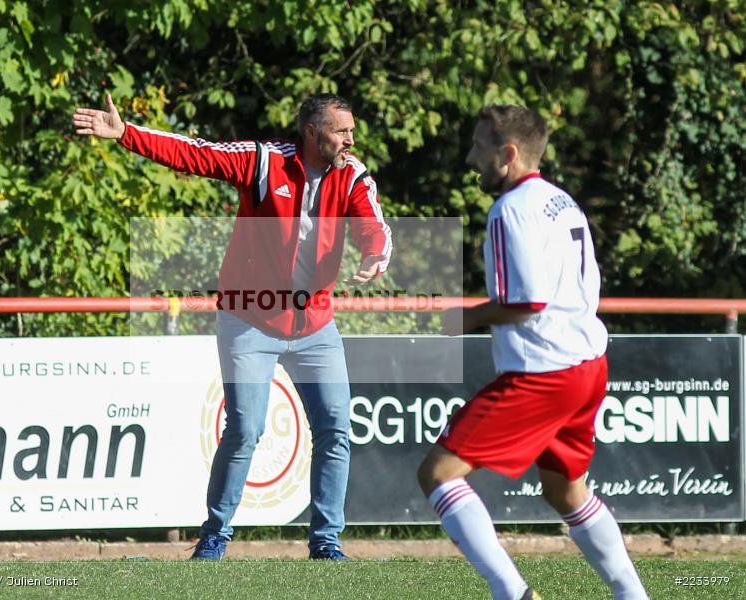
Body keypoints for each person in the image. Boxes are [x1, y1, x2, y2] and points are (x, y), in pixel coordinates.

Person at [73, 93, 392, 559]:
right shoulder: (265, 162)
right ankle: (215, 535)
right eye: (341, 131)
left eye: (352, 130)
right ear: (311, 131)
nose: (350, 139)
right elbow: (196, 152)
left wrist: (374, 255)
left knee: (335, 428)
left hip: (315, 325)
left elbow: (373, 226)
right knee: (245, 428)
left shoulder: (352, 174)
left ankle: (326, 542)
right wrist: (127, 134)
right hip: (249, 319)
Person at [418, 105, 648, 599]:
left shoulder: (511, 209)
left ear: (509, 153)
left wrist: (466, 320)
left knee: (437, 473)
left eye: (479, 147)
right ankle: (633, 595)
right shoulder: (560, 200)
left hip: (544, 373)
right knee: (564, 490)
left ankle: (513, 594)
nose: (469, 158)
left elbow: (526, 303)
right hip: (587, 364)